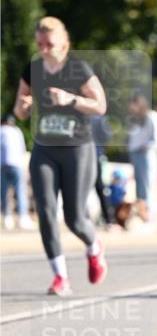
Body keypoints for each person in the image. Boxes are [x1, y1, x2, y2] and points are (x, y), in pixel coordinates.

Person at [13, 17, 108, 295]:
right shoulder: (33, 69)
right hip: (45, 148)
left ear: (64, 44)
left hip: (77, 148)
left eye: (50, 44)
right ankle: (60, 277)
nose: (44, 49)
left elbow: (100, 105)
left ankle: (94, 246)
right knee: (45, 212)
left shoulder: (78, 68)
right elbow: (19, 111)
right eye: (40, 44)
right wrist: (24, 105)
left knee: (75, 217)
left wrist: (71, 99)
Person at [127, 91, 157, 223]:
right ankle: (142, 215)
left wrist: (147, 146)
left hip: (147, 154)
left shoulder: (152, 116)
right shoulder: (135, 119)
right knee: (139, 186)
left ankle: (150, 216)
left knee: (147, 185)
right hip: (136, 154)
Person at [1, 115, 32, 230]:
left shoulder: (1, 131)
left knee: (4, 192)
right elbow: (22, 149)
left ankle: (7, 217)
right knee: (20, 190)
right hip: (17, 164)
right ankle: (22, 217)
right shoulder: (17, 131)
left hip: (3, 165)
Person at [91, 114, 113, 228]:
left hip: (80, 157)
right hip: (96, 155)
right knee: (101, 188)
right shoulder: (99, 118)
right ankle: (109, 220)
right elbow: (107, 137)